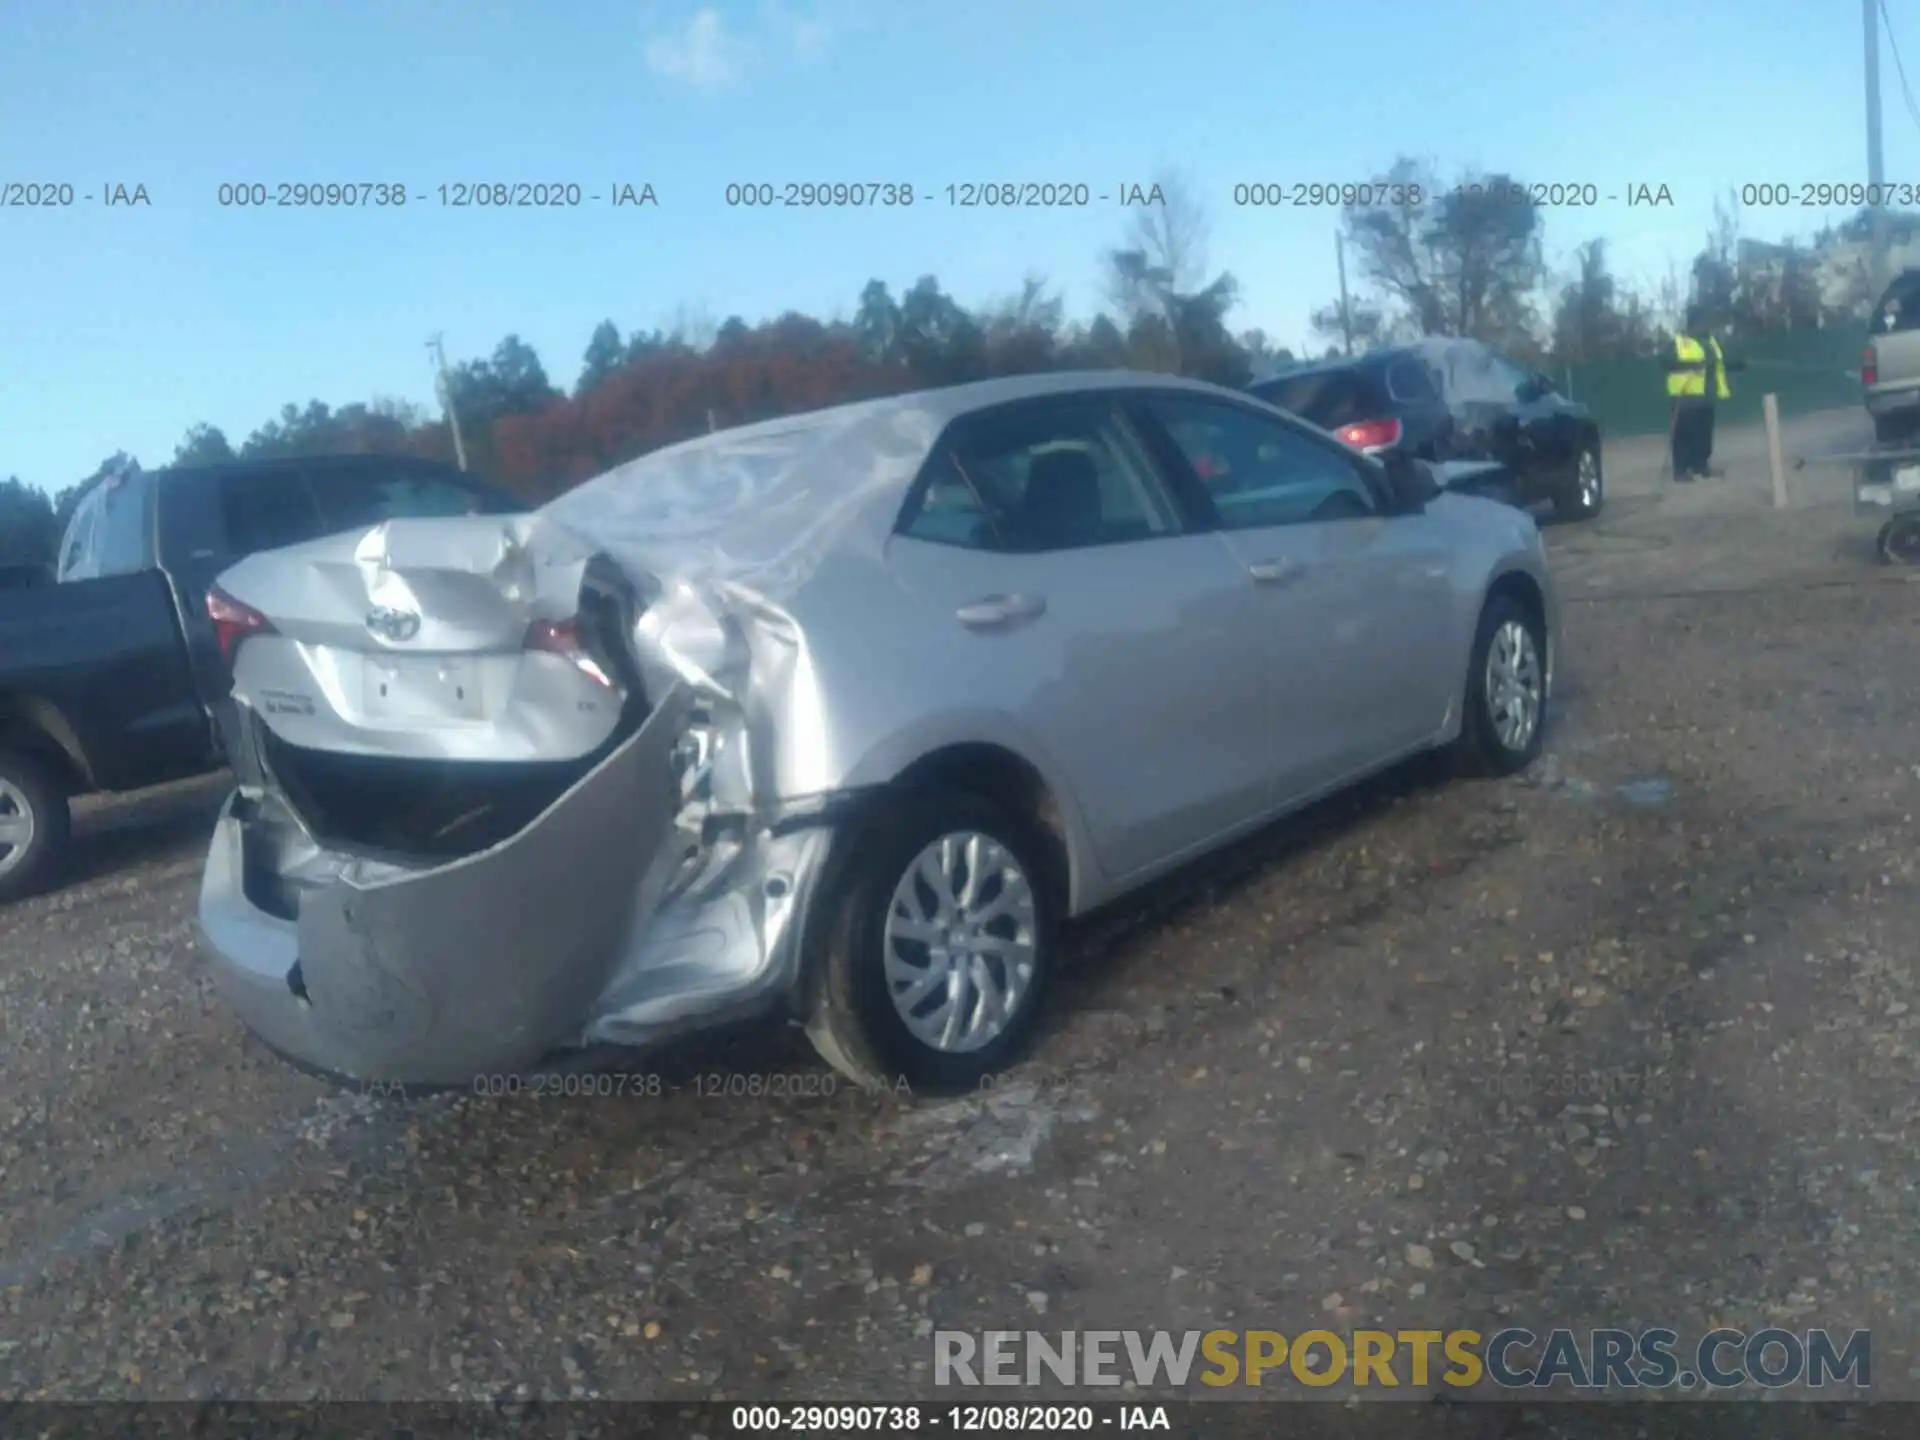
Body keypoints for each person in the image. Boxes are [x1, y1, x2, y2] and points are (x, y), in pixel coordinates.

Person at [1663, 308, 1747, 481]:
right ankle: (1680, 470)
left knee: (1704, 434)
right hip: (1685, 397)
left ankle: (1701, 465)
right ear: (1693, 322)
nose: (1706, 325)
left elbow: (1720, 363)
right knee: (1683, 435)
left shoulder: (1711, 343)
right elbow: (1666, 362)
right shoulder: (1679, 343)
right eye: (1703, 321)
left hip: (1706, 397)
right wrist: (1692, 365)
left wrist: (1740, 364)